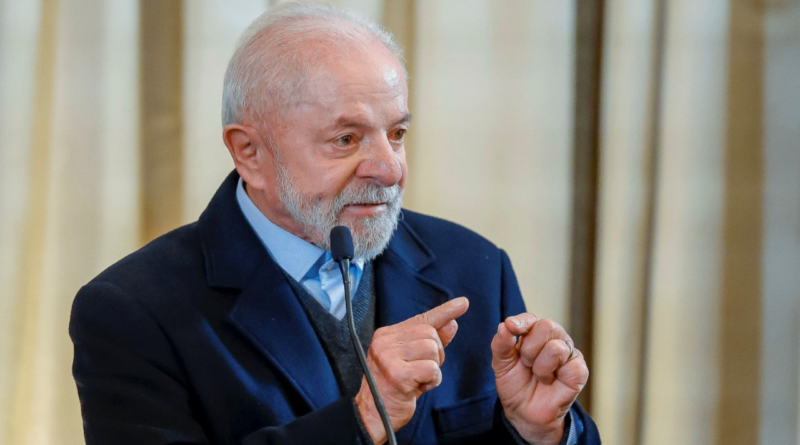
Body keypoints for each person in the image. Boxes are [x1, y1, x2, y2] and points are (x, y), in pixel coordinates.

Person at [70, 2, 601, 445]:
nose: (389, 169)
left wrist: (539, 432)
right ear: (249, 152)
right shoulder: (131, 310)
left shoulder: (475, 266)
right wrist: (362, 420)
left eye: (396, 134)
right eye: (346, 140)